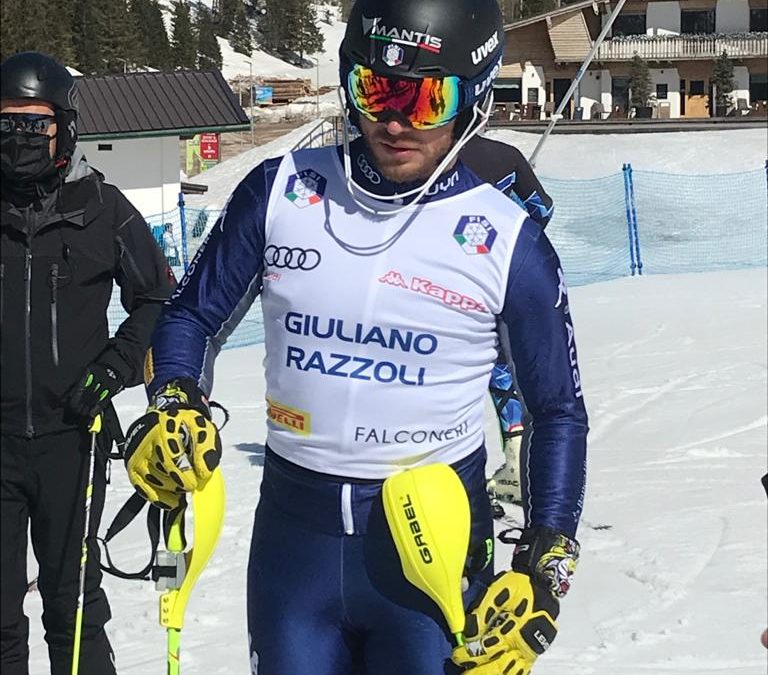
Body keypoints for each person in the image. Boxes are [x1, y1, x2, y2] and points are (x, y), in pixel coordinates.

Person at [123, 1, 588, 673]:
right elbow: (191, 316)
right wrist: (173, 401)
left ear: (473, 97)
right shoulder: (279, 191)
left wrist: (545, 562)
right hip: (296, 543)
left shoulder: (507, 239)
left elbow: (558, 409)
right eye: (375, 89)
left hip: (429, 548)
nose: (394, 121)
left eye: (424, 99)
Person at [0, 52, 175, 675]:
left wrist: (116, 366)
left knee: (70, 606)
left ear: (63, 128)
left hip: (71, 440)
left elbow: (157, 295)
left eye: (33, 125)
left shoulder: (102, 207)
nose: (18, 140)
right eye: (5, 126)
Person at [460, 135, 554, 505]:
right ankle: (515, 463)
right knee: (505, 373)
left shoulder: (425, 157)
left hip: (434, 283)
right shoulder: (505, 156)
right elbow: (541, 210)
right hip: (497, 280)